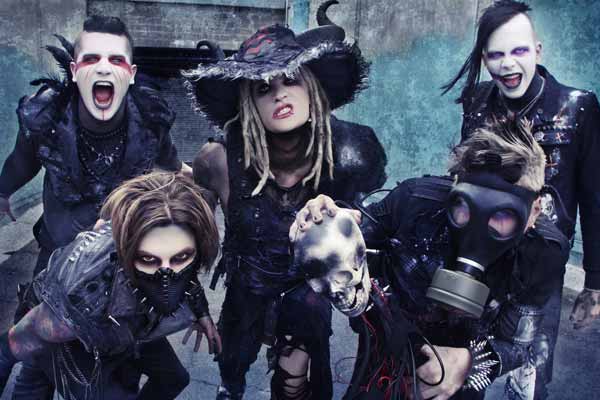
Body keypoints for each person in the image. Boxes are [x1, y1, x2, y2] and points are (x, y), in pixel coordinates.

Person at [183, 2, 387, 399]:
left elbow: (369, 227)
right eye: (263, 88)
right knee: (232, 363)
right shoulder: (219, 160)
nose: (279, 95)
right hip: (247, 283)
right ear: (249, 103)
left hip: (306, 290)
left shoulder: (350, 151)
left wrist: (344, 221)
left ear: (312, 87)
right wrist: (194, 303)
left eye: (290, 80)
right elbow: (192, 234)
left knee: (295, 382)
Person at [291, 117, 570, 399]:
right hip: (389, 342)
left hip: (463, 361)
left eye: (503, 215)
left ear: (534, 212)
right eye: (467, 206)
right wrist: (326, 219)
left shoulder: (542, 252)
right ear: (455, 188)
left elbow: (518, 344)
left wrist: (469, 363)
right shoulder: (414, 202)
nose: (479, 228)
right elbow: (351, 233)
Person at [441, 1, 600, 397]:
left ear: (537, 51)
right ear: (484, 58)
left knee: (527, 380)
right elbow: (463, 176)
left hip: (539, 266)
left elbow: (594, 197)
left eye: (519, 51)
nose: (508, 64)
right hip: (480, 259)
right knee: (460, 369)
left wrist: (595, 282)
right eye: (496, 54)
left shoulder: (577, 106)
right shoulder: (477, 100)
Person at [0, 171, 221, 399]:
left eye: (181, 257)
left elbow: (184, 273)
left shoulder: (174, 250)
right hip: (78, 332)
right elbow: (8, 348)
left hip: (129, 324)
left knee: (174, 378)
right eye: (149, 259)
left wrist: (201, 311)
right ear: (126, 254)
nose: (167, 276)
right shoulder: (78, 299)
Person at [0, 15, 190, 278]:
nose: (103, 68)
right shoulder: (44, 117)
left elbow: (173, 164)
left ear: (131, 74)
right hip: (58, 256)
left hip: (123, 255)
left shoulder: (150, 119)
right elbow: (22, 162)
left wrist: (204, 177)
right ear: (74, 71)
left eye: (116, 60)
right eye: (91, 59)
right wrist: (3, 192)